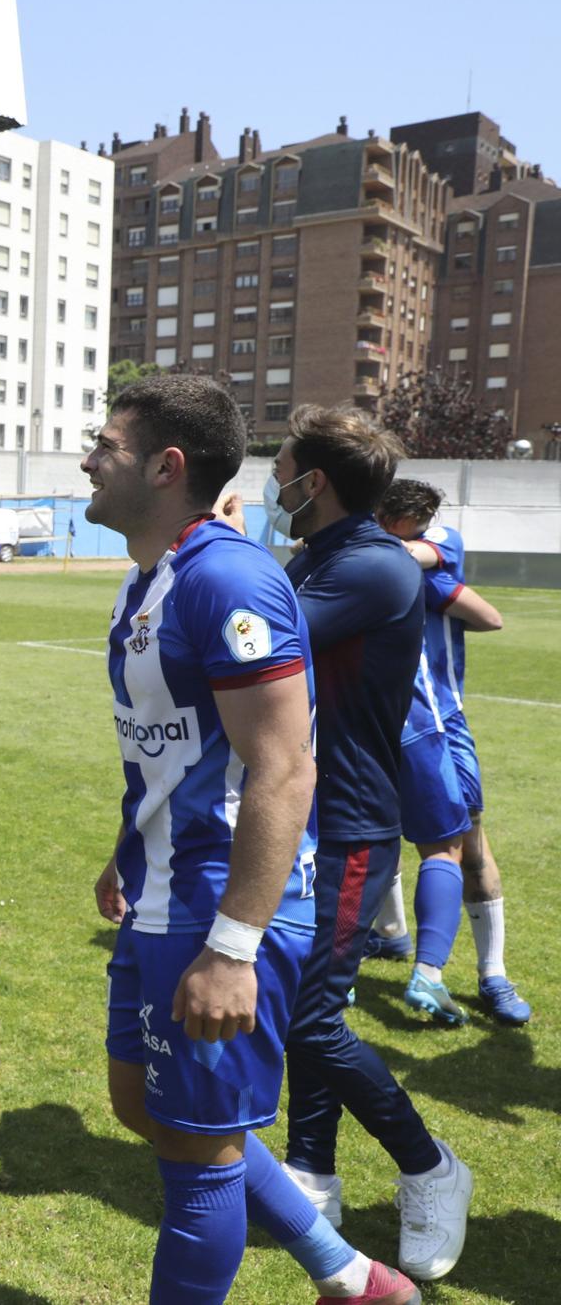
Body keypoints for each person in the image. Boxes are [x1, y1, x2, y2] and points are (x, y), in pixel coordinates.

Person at [79, 376, 414, 1305]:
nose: (87, 458)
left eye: (104, 442)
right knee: (144, 1107)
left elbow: (284, 766)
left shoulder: (228, 576)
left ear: (165, 464)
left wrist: (234, 945)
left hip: (216, 905)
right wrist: (124, 844)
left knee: (197, 1153)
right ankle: (350, 1273)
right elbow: (178, 746)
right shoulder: (151, 576)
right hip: (157, 891)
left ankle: (349, 1276)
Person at [266, 406, 472, 1283]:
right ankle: (311, 1167)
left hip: (350, 824)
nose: (272, 482)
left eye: (281, 468)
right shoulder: (318, 556)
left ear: (315, 482)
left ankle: (430, 1166)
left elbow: (260, 642)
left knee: (309, 1016)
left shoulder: (373, 567)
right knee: (306, 1012)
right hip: (303, 814)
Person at [366, 481, 529, 1024]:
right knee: (389, 837)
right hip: (398, 723)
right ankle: (400, 946)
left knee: (465, 841)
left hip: (430, 723)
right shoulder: (375, 557)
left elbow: (485, 614)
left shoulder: (435, 548)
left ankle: (492, 974)